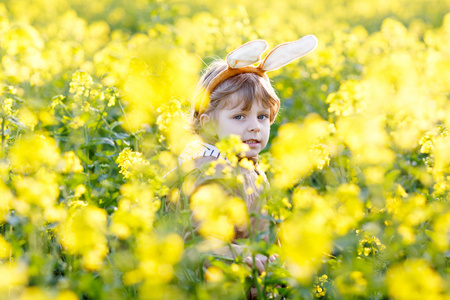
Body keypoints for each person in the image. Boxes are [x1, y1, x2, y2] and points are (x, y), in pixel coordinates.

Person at [169, 36, 318, 287]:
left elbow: (264, 228)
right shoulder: (208, 174)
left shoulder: (246, 163)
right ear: (208, 123)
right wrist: (245, 256)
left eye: (262, 116)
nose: (254, 127)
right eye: (239, 116)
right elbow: (198, 246)